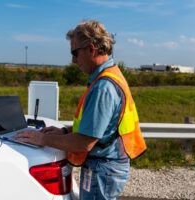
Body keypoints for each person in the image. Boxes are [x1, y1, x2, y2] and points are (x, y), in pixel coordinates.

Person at [14, 20, 146, 200]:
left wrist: (42, 138)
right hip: (107, 166)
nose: (73, 60)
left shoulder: (103, 86)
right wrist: (63, 132)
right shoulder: (109, 75)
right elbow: (98, 127)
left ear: (91, 49)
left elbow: (84, 143)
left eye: (75, 53)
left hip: (102, 168)